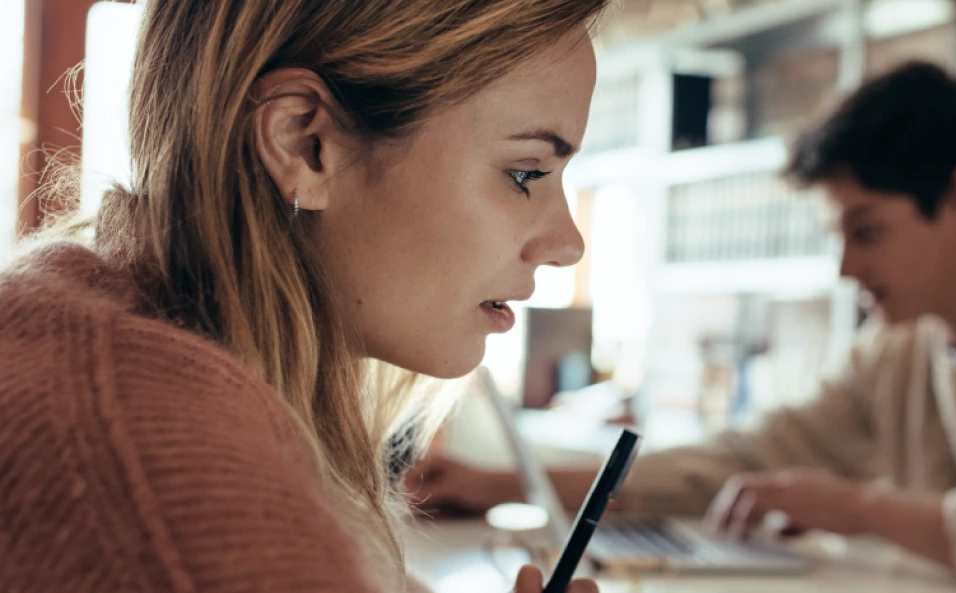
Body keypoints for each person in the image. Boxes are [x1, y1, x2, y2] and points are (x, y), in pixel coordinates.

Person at [0, 1, 611, 592]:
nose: (568, 245)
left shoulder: (111, 342)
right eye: (525, 173)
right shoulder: (155, 485)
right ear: (303, 144)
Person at [407, 61, 956, 589]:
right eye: (840, 238)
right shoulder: (893, 353)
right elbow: (736, 464)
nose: (847, 268)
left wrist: (860, 509)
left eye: (867, 231)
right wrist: (497, 484)